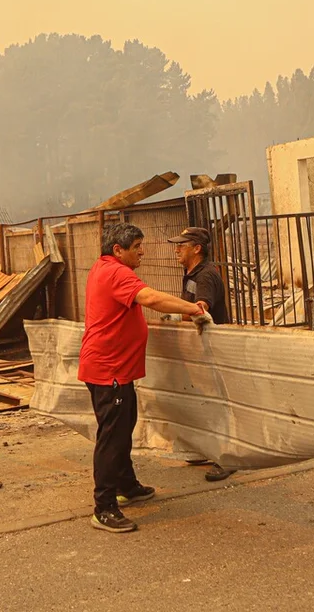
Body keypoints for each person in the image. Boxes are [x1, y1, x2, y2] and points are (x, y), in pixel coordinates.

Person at [79, 222, 209, 534]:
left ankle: (126, 483)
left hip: (113, 369)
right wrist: (192, 309)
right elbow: (149, 298)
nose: (142, 252)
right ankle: (104, 506)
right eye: (137, 247)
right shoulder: (116, 272)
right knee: (112, 436)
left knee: (124, 425)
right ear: (118, 250)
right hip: (109, 369)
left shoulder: (103, 267)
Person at [168, 226, 236, 482]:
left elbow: (200, 308)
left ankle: (227, 457)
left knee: (217, 402)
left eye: (182, 245)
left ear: (197, 248)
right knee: (202, 400)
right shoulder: (191, 273)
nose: (177, 249)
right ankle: (206, 449)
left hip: (214, 347)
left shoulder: (206, 275)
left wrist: (176, 313)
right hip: (201, 347)